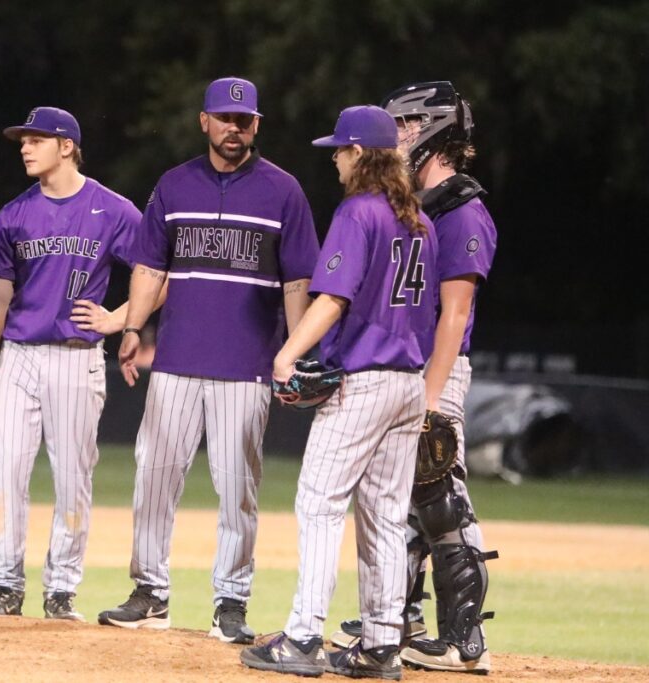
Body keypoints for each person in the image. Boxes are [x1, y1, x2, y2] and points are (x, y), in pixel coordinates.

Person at [97, 77, 320, 644]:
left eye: (243, 121)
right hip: (173, 361)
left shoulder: (284, 192)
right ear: (204, 121)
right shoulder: (174, 186)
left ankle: (231, 600)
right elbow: (150, 269)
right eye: (223, 118)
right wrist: (132, 327)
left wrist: (293, 354)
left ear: (256, 126)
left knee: (238, 488)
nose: (233, 128)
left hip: (247, 367)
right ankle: (149, 591)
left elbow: (298, 282)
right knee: (153, 477)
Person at [240, 105, 438, 680]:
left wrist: (287, 354)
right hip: (409, 384)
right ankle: (380, 645)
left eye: (341, 148)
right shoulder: (418, 221)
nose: (334, 156)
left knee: (320, 502)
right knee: (382, 514)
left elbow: (331, 299)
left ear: (360, 155)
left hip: (367, 380)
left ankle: (302, 637)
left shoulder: (360, 212)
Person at [329, 81, 499, 675]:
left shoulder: (463, 210)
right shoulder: (416, 206)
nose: (395, 137)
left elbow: (455, 313)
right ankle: (400, 621)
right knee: (397, 502)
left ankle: (464, 638)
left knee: (440, 498)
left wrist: (431, 394)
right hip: (403, 369)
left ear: (431, 129)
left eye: (404, 125)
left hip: (436, 370)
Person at [0, 107, 141, 621]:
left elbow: (158, 273)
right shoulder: (13, 214)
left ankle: (61, 589)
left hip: (76, 357)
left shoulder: (112, 210)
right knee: (7, 475)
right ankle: (6, 585)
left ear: (66, 146)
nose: (24, 147)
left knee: (72, 476)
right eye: (22, 140)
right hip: (19, 357)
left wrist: (122, 319)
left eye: (35, 139)